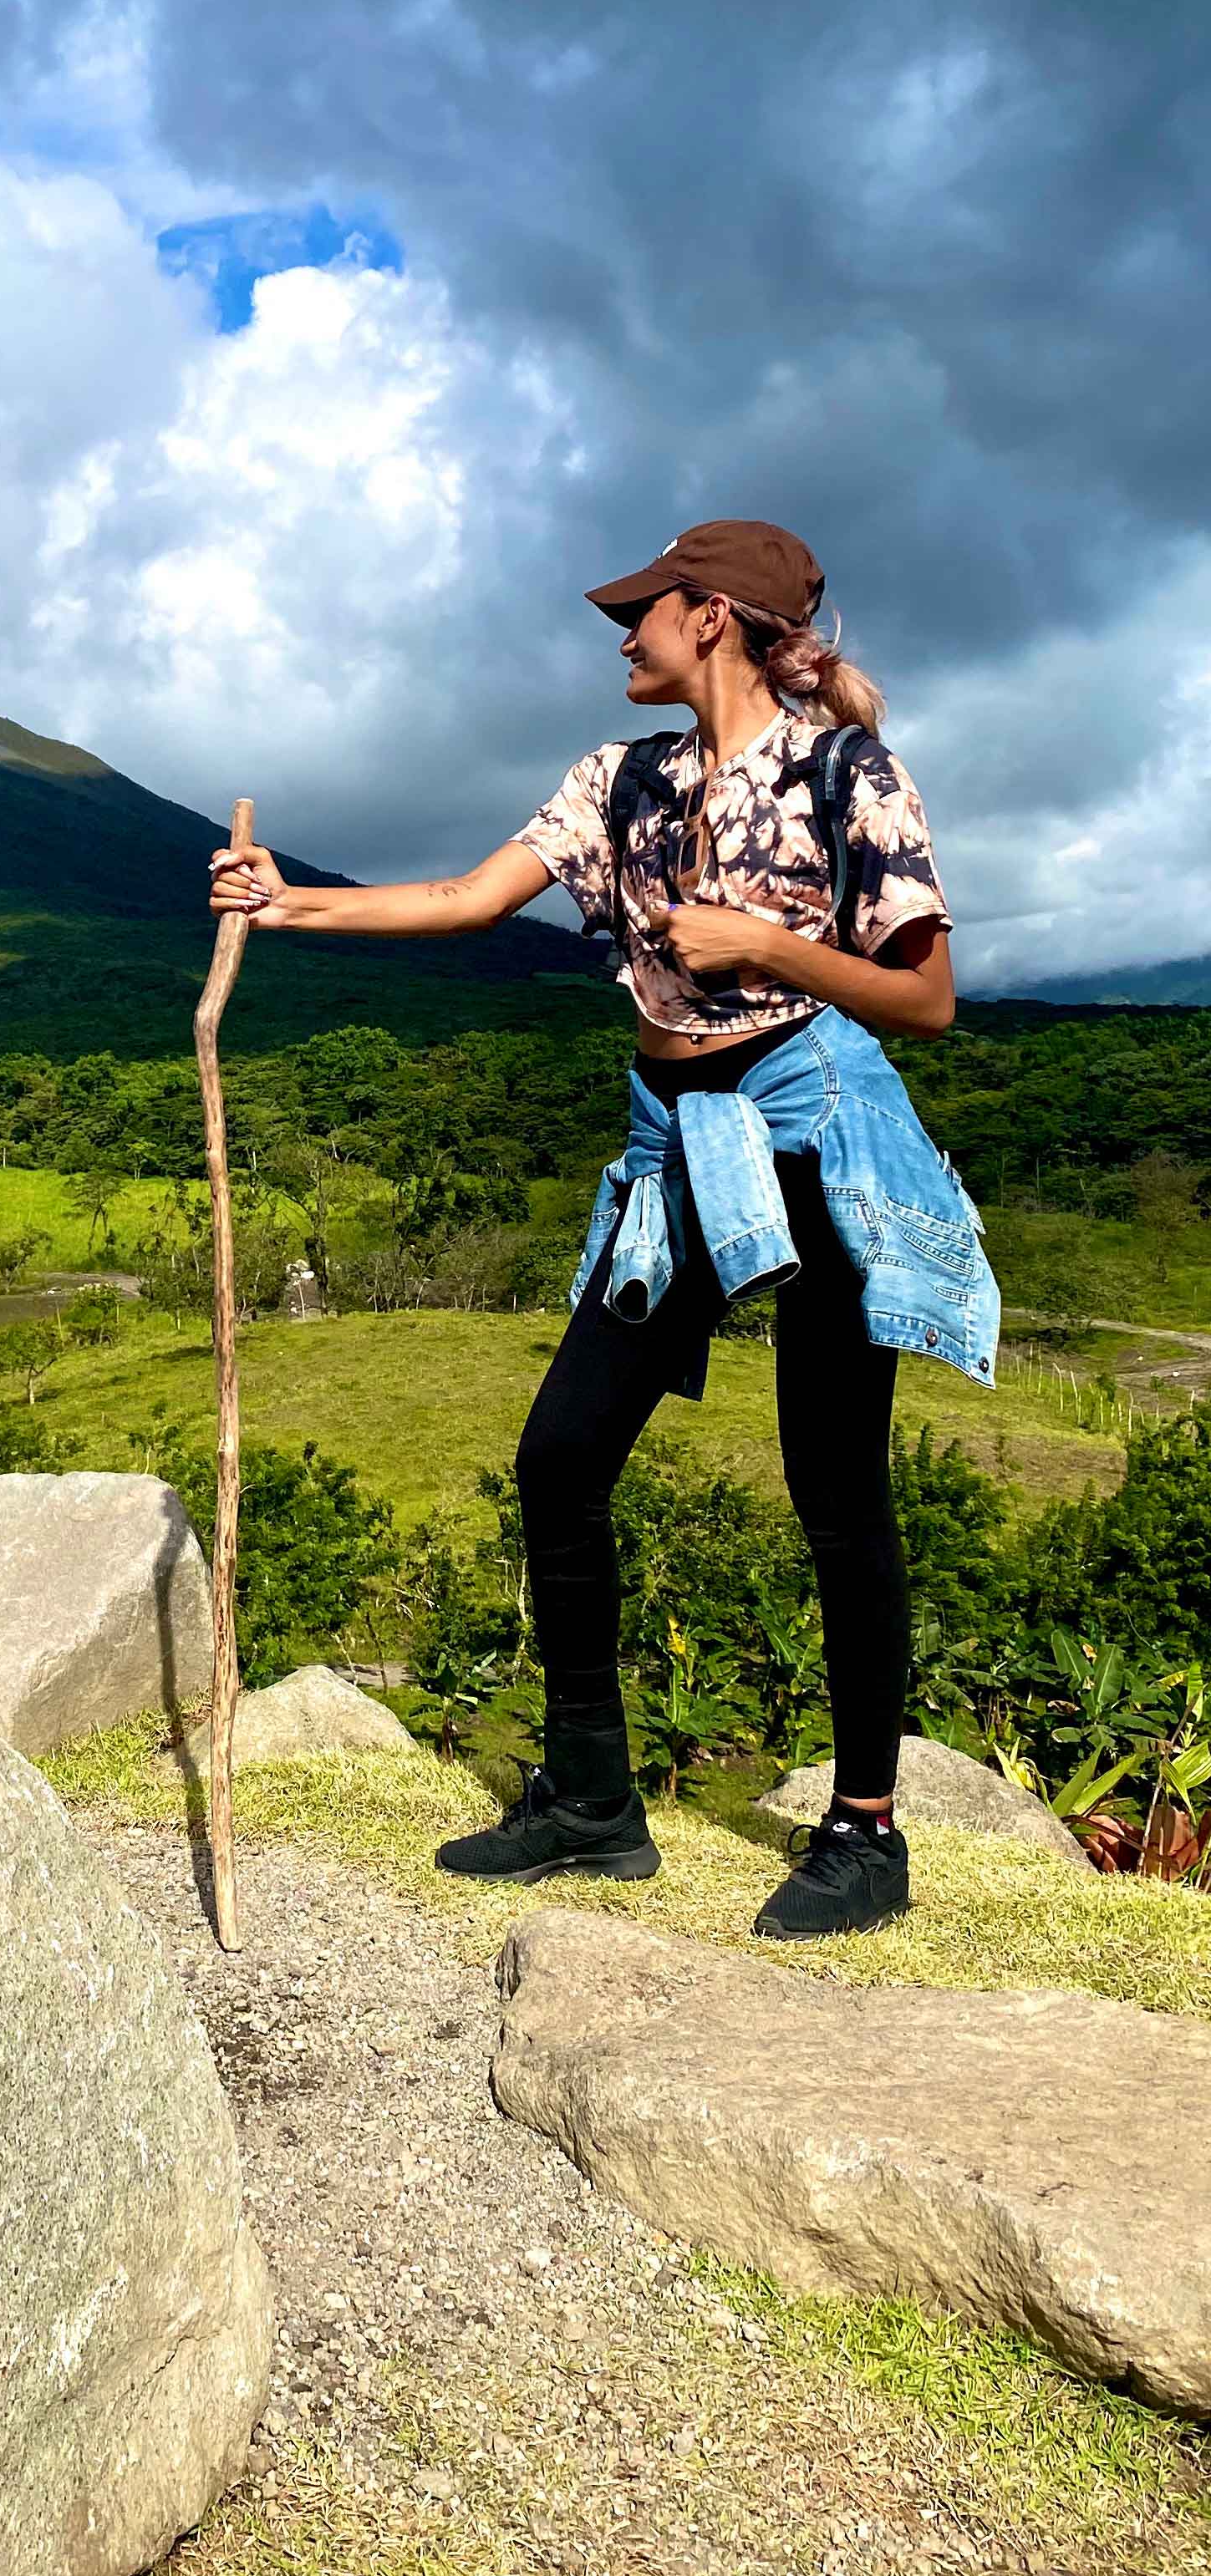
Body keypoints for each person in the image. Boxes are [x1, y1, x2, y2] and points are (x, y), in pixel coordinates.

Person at [207, 517, 999, 1940]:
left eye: (645, 609)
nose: (621, 633)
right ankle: (590, 1801)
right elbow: (464, 899)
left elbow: (927, 996)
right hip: (673, 1142)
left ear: (712, 619)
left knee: (833, 1478)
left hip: (814, 1126)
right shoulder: (616, 779)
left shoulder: (846, 773)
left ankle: (867, 1831)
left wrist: (764, 946)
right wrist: (288, 907)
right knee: (560, 1457)